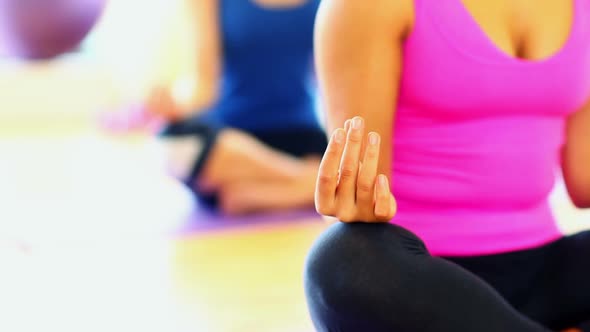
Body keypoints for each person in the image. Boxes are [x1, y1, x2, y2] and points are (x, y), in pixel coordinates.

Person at [304, 0, 590, 331]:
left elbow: (583, 179)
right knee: (343, 260)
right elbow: (356, 191)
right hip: (421, 283)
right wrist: (350, 199)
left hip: (547, 272)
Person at [145, 0, 326, 215]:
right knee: (172, 142)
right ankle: (313, 185)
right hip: (228, 143)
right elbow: (201, 85)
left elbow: (328, 82)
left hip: (301, 136)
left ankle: (264, 195)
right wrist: (175, 105)